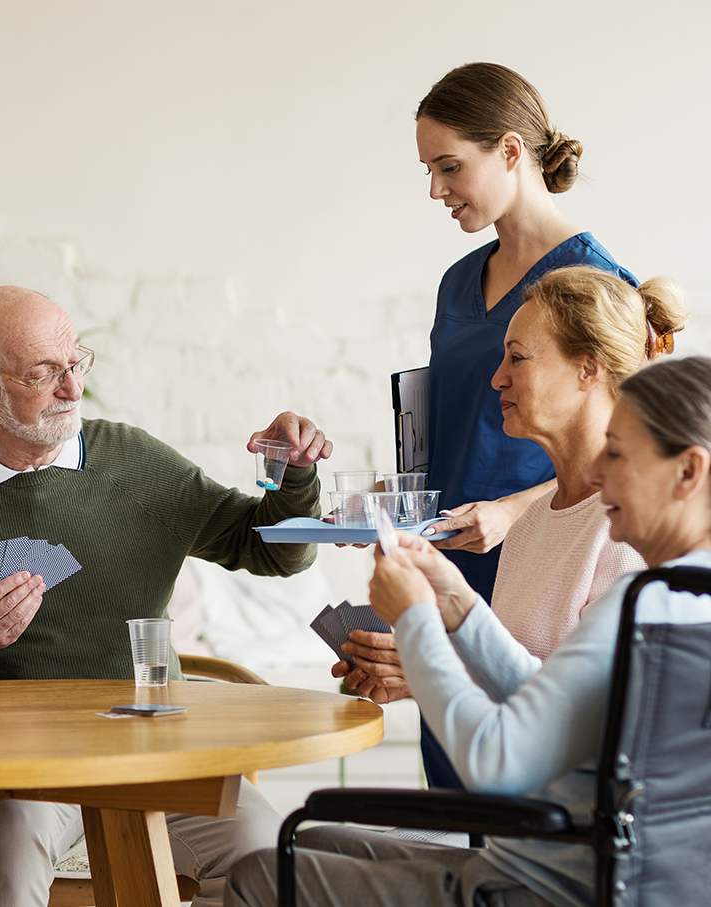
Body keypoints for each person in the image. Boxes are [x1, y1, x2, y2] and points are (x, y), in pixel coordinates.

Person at [0, 285, 332, 907]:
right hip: (8, 770)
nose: (71, 388)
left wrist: (294, 472)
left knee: (271, 851)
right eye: (43, 374)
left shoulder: (133, 462)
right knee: (17, 832)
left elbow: (275, 553)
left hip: (152, 749)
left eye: (75, 363)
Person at [225, 354, 711, 907]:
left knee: (261, 873)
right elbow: (556, 699)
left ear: (689, 472)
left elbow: (495, 759)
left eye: (618, 454)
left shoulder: (639, 602)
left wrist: (416, 623)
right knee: (316, 841)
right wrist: (458, 606)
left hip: (537, 885)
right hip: (616, 879)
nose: (599, 474)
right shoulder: (682, 602)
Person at [412, 62, 636, 787]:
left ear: (511, 151)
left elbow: (619, 451)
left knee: (526, 788)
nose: (436, 190)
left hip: (537, 564)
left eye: (451, 167)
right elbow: (450, 416)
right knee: (455, 800)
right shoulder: (457, 281)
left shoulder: (596, 285)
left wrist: (512, 511)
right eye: (429, 169)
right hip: (448, 556)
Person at [341, 266, 686, 707]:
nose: (498, 378)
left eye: (517, 358)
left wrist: (432, 660)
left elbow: (590, 709)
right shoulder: (530, 522)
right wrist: (419, 675)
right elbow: (515, 690)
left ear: (589, 368)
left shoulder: (632, 528)